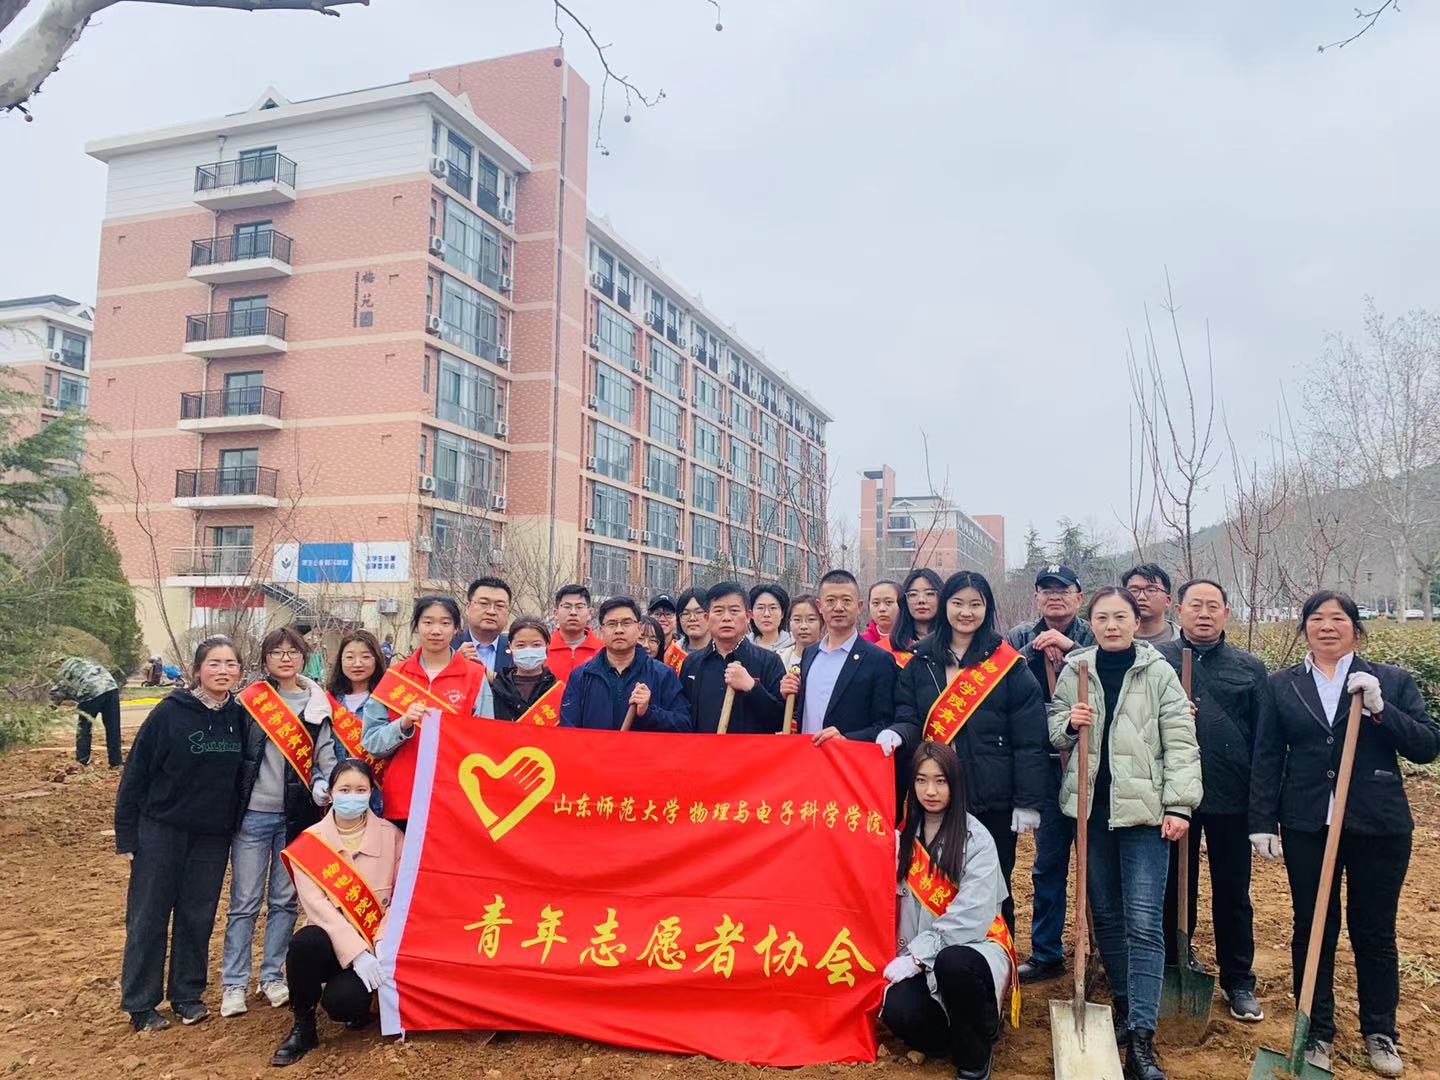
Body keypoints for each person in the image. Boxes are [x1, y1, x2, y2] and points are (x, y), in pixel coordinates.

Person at [1250, 591, 1439, 1078]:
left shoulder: (1390, 681)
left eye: (1338, 618)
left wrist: (1380, 708)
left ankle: (1380, 1030)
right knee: (1313, 926)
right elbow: (1267, 754)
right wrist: (1262, 821)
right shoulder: (1282, 685)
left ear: (1356, 627)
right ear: (1304, 628)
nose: (1327, 626)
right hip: (1307, 822)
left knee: (1373, 929)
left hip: (1378, 824)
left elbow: (1426, 746)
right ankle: (1316, 1030)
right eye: (1316, 618)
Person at [1049, 586, 1201, 1080]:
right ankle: (1123, 1007)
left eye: (1120, 617)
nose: (1111, 625)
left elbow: (1181, 741)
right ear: (1090, 623)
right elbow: (1052, 728)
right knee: (1109, 917)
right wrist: (1069, 723)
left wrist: (1179, 805)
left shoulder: (1157, 672)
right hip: (1091, 812)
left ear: (1137, 622)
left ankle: (1142, 1037)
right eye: (1102, 618)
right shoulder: (1077, 668)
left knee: (1143, 921)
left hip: (1145, 815)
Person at [894, 571, 1048, 929]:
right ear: (945, 606)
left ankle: (995, 960)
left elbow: (1030, 739)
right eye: (958, 603)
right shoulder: (920, 662)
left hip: (990, 797)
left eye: (975, 604)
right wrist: (897, 734)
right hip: (932, 796)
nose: (966, 612)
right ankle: (931, 956)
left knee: (992, 885)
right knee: (931, 883)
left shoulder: (1008, 666)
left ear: (987, 609)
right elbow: (907, 716)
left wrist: (1027, 801)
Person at [115, 636, 246, 1031]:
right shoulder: (170, 713)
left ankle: (187, 995)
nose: (222, 671)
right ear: (198, 669)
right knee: (149, 917)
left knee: (197, 916)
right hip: (161, 829)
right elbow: (136, 774)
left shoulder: (239, 717)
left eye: (230, 664)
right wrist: (127, 835)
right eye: (214, 663)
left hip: (211, 836)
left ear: (240, 672)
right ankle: (141, 1004)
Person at [1157, 579, 1267, 1022]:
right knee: (1172, 887)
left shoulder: (1249, 667)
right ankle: (1175, 961)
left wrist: (1261, 805)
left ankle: (1238, 979)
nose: (1204, 614)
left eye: (1213, 606)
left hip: (1230, 796)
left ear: (1226, 612)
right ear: (1178, 610)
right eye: (1195, 606)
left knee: (1233, 891)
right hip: (1172, 795)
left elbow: (1263, 740)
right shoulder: (1157, 661)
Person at [222, 626, 337, 1019]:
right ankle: (234, 982)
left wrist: (327, 784)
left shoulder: (318, 705)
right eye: (277, 652)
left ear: (304, 657)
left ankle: (272, 975)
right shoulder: (250, 702)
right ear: (265, 659)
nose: (285, 658)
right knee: (244, 902)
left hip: (296, 817)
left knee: (285, 902)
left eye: (293, 651)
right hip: (252, 816)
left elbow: (325, 757)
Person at [881, 741, 1014, 1080]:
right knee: (897, 1010)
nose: (930, 791)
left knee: (952, 962)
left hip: (972, 950)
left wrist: (917, 956)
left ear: (955, 784)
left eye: (940, 781)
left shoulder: (977, 839)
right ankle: (954, 1036)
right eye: (922, 780)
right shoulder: (902, 838)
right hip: (920, 956)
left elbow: (972, 916)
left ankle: (975, 1056)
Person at [270, 760, 403, 1067]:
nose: (352, 796)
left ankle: (361, 1005)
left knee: (344, 1004)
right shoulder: (309, 842)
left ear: (371, 793)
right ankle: (303, 1026)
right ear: (330, 793)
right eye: (344, 790)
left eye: (360, 790)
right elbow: (317, 907)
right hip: (331, 944)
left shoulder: (392, 837)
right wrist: (357, 955)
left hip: (374, 946)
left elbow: (400, 897)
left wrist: (382, 941)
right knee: (305, 943)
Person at [1004, 563, 1094, 984]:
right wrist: (1034, 652)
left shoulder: (1094, 633)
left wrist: (1071, 649)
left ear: (1079, 597)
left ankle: (1103, 950)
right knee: (1048, 863)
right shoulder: (1020, 636)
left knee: (1098, 866)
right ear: (1036, 597)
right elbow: (1000, 678)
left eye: (1064, 589)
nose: (1055, 596)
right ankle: (1046, 952)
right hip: (1044, 766)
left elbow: (1109, 670)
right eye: (1046, 590)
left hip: (1091, 765)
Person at [361, 596, 496, 830]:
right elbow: (372, 742)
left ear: (456, 629)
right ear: (416, 626)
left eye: (445, 623)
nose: (436, 630)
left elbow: (486, 741)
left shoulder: (474, 676)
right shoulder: (395, 676)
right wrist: (402, 725)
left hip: (456, 798)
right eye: (428, 622)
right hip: (404, 797)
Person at [788, 570, 907, 758]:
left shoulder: (879, 660)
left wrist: (846, 738)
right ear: (819, 606)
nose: (838, 607)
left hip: (849, 762)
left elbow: (886, 725)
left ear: (859, 606)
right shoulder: (809, 654)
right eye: (830, 601)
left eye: (846, 600)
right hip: (807, 760)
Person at [559, 596, 691, 731]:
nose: (619, 630)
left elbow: (683, 725)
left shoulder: (662, 674)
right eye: (611, 624)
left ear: (639, 628)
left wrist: (649, 712)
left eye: (626, 623)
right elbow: (568, 732)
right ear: (601, 630)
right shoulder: (581, 676)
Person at [679, 582, 786, 734]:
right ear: (707, 617)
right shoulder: (692, 663)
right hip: (705, 748)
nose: (726, 618)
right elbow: (683, 718)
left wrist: (752, 687)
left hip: (752, 749)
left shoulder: (770, 661)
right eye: (718, 611)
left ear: (748, 616)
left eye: (734, 611)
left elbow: (780, 721)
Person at [324, 629, 390, 816]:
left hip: (379, 796)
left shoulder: (388, 700)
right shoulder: (327, 701)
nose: (357, 663)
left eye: (365, 657)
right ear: (341, 661)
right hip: (337, 797)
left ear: (377, 660)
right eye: (350, 657)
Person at [52, 653, 122, 768]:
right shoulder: (82, 661)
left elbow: (58, 693)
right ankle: (116, 762)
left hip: (91, 693)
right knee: (113, 727)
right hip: (111, 688)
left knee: (84, 728)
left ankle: (82, 761)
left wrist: (49, 710)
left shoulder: (64, 669)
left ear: (56, 663)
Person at [491, 616, 564, 724]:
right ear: (510, 646)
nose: (529, 650)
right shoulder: (498, 688)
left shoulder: (557, 691)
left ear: (547, 644)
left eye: (536, 645)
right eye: (521, 645)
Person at [453, 576, 514, 673]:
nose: (491, 611)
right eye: (484, 603)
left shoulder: (515, 649)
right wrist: (454, 663)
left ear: (507, 612)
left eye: (499, 606)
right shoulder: (447, 646)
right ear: (468, 608)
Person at [546, 584, 603, 681]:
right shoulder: (543, 650)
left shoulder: (603, 650)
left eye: (579, 607)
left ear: (590, 613)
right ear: (555, 613)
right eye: (567, 607)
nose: (573, 612)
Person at [1123, 564, 1177, 645]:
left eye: (1151, 590)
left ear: (1167, 601)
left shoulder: (1187, 640)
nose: (1141, 597)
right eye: (1134, 590)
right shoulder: (1111, 641)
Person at [892, 568, 943, 652]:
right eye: (913, 594)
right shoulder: (887, 648)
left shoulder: (954, 643)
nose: (921, 600)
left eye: (929, 594)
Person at [748, 583, 794, 657]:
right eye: (760, 608)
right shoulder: (742, 646)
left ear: (782, 613)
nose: (766, 614)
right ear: (751, 613)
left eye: (773, 608)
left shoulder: (795, 645)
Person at [673, 587, 712, 655]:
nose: (692, 618)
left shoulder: (725, 652)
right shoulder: (672, 655)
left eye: (699, 612)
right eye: (685, 613)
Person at [862, 579, 901, 644]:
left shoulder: (913, 641)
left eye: (889, 602)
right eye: (876, 603)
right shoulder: (860, 642)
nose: (882, 609)